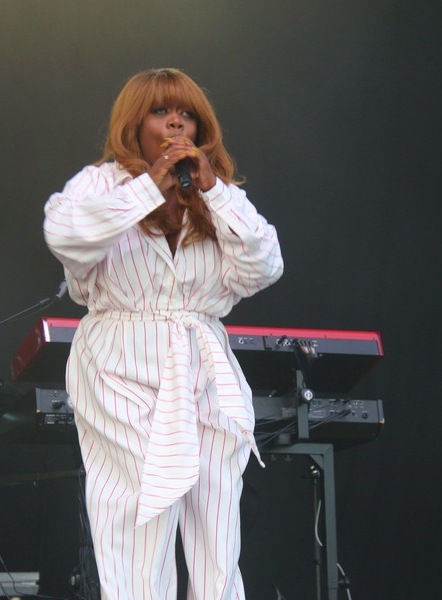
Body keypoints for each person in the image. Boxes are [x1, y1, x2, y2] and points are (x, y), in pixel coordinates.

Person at [43, 68, 284, 600]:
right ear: (134, 122)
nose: (176, 122)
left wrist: (213, 191)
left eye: (187, 114)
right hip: (119, 363)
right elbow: (63, 233)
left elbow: (266, 265)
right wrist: (148, 188)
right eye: (160, 111)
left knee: (217, 532)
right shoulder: (101, 184)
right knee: (139, 517)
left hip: (203, 365)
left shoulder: (215, 194)